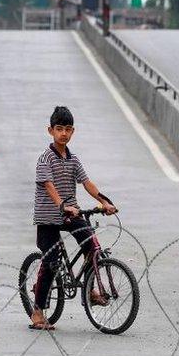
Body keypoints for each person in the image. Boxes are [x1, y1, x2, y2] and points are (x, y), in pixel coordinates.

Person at [30, 106, 118, 330]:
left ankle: (89, 289)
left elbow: (86, 182)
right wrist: (62, 205)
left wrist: (105, 202)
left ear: (73, 132)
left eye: (68, 130)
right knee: (51, 260)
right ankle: (37, 312)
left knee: (92, 245)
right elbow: (48, 186)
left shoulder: (73, 159)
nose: (64, 134)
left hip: (72, 213)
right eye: (59, 129)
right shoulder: (45, 158)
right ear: (50, 130)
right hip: (48, 216)